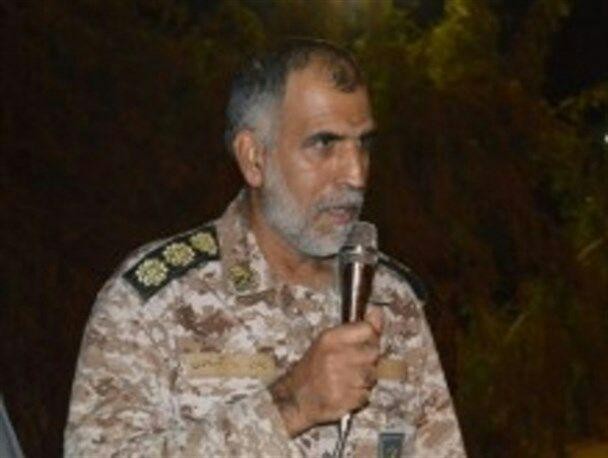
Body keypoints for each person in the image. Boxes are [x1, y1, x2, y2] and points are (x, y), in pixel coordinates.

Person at [64, 39, 467, 457]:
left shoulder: (394, 301)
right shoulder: (154, 303)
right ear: (254, 158)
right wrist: (288, 406)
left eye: (363, 144)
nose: (356, 175)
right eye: (324, 144)